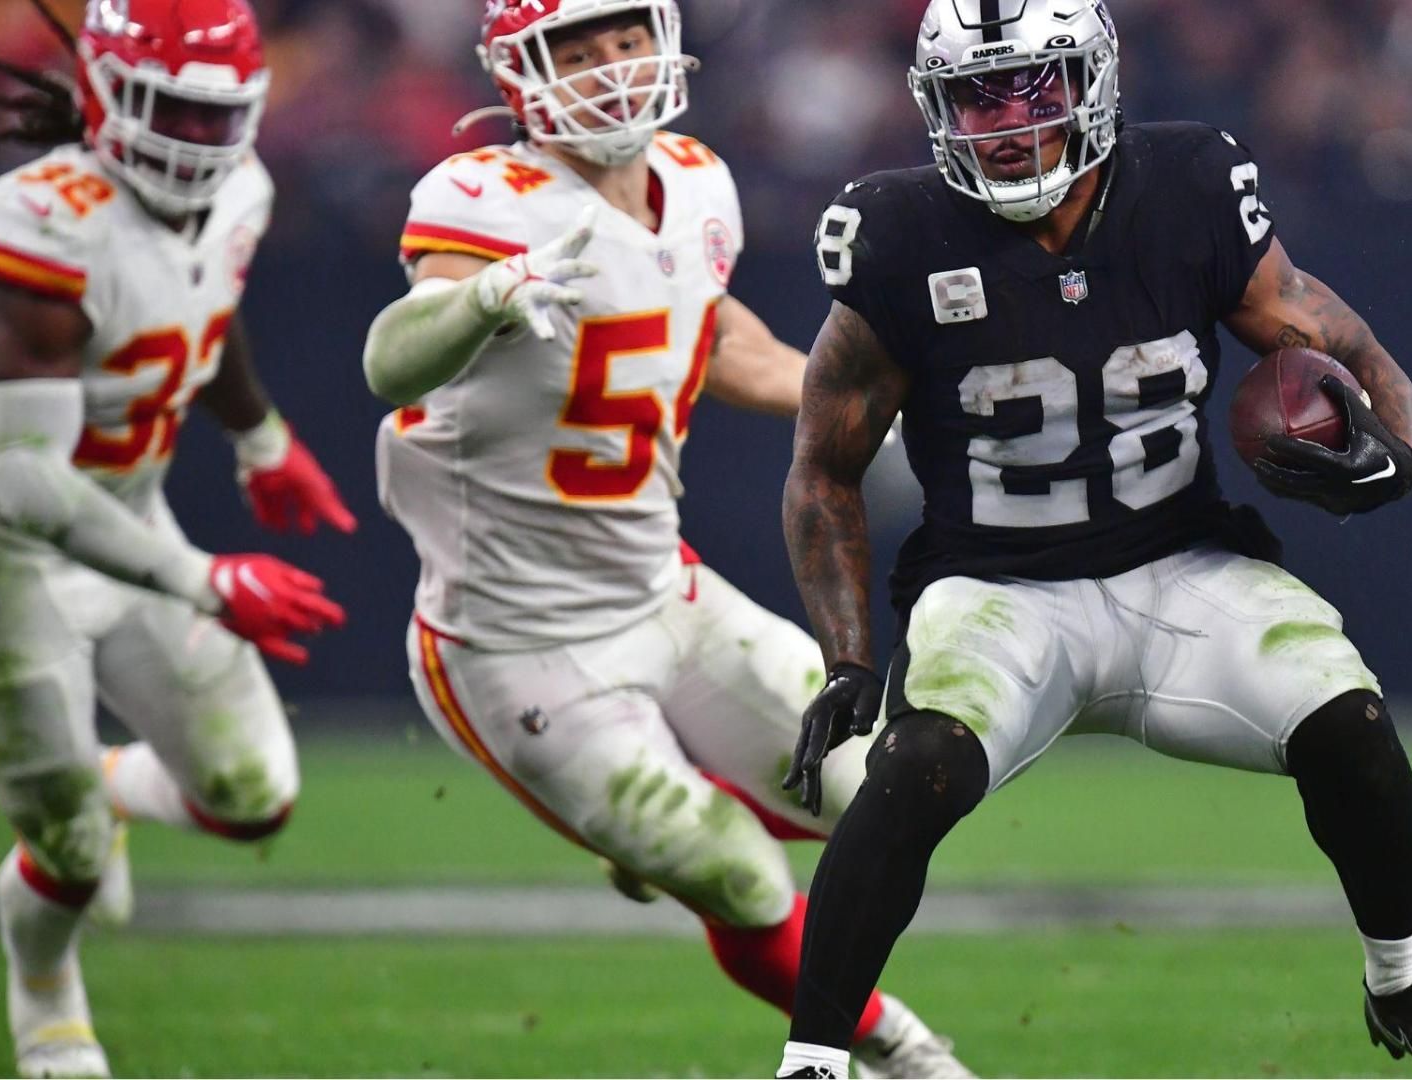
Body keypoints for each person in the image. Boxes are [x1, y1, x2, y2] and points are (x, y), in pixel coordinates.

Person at [773, 2, 1412, 1077]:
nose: (1007, 121)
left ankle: (1405, 987)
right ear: (936, 108)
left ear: (1096, 81)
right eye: (978, 94)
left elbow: (1351, 344)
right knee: (914, 768)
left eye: (1034, 85)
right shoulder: (899, 235)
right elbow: (824, 465)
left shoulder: (1187, 189)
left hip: (1181, 571)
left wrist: (1392, 453)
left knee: (1348, 719)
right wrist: (847, 656)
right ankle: (813, 1062)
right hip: (998, 590)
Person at [363, 2, 968, 1074]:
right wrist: (483, 299)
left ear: (664, 34)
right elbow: (391, 359)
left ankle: (649, 825)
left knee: (890, 790)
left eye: (624, 38)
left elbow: (704, 324)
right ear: (519, 71)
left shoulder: (694, 177)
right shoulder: (480, 200)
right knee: (735, 872)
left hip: (659, 590)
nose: (609, 68)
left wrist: (854, 402)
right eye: (576, 50)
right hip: (516, 641)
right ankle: (909, 1056)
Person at [0, 0, 352, 1075]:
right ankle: (48, 1001)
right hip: (0, 552)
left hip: (128, 515)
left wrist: (264, 439)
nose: (197, 141)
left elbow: (197, 309)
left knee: (252, 795)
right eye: (170, 107)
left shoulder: (242, 190)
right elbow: (32, 485)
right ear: (102, 94)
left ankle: (101, 778)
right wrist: (207, 579)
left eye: (218, 114)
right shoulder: (45, 216)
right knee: (71, 854)